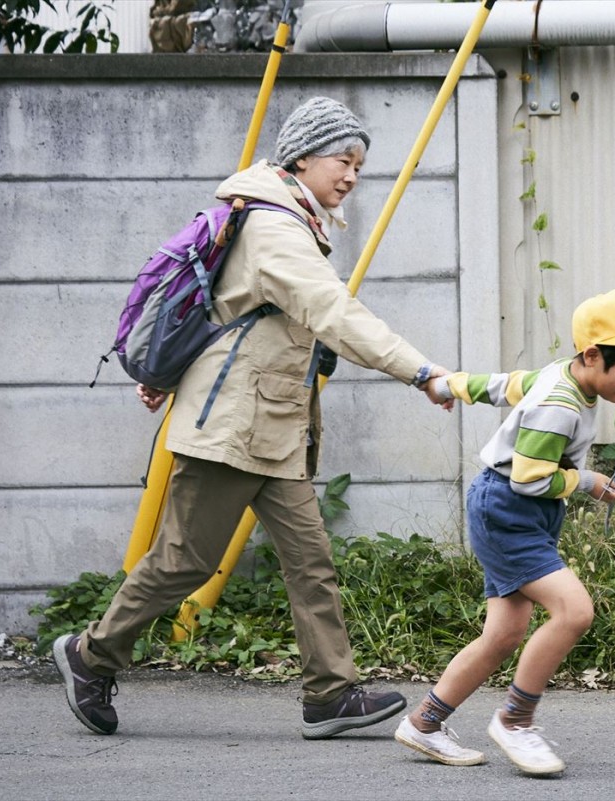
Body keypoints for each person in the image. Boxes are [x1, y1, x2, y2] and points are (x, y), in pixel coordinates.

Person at [54, 96, 452, 739]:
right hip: (232, 426)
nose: (351, 174)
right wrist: (421, 370)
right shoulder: (274, 227)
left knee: (311, 560)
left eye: (359, 164)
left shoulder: (293, 220)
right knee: (184, 562)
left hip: (273, 428)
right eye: (341, 159)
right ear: (302, 156)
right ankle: (90, 655)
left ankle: (330, 693)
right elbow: (332, 312)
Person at [393, 288, 615, 775]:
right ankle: (516, 721)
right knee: (574, 611)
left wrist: (448, 386)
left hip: (516, 509)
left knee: (504, 634)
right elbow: (531, 478)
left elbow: (503, 384)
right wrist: (587, 482)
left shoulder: (560, 376)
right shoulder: (561, 405)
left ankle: (424, 723)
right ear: (592, 355)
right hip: (509, 510)